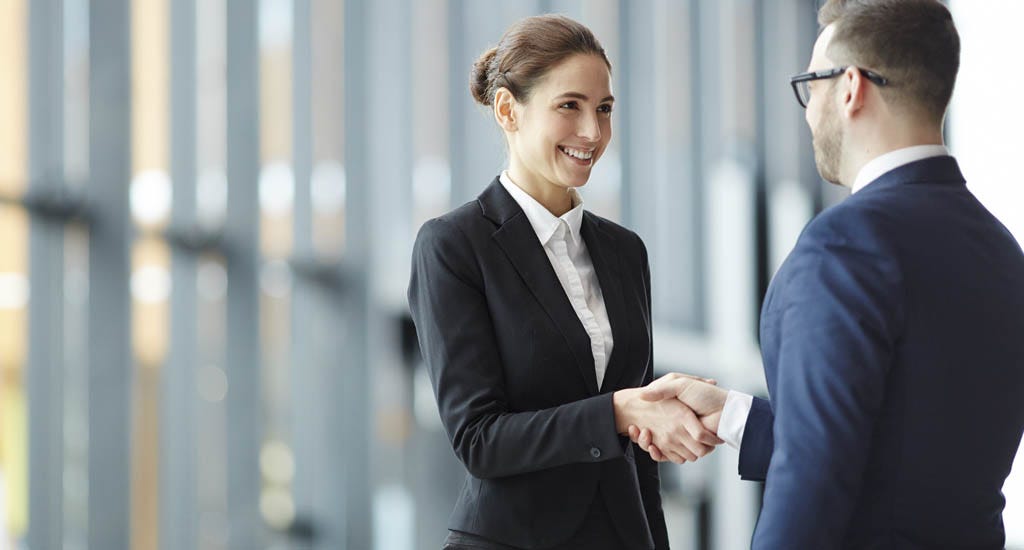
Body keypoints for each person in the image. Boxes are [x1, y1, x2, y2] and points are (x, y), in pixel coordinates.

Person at [630, 0, 1024, 547]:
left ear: (851, 87)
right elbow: (903, 462)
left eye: (811, 84)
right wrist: (735, 417)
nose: (809, 109)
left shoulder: (845, 244)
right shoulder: (1001, 250)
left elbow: (813, 485)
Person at [407, 14, 720, 550]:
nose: (592, 133)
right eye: (568, 106)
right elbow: (479, 440)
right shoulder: (454, 245)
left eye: (603, 109)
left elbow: (638, 458)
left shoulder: (625, 251)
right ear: (508, 110)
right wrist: (619, 409)